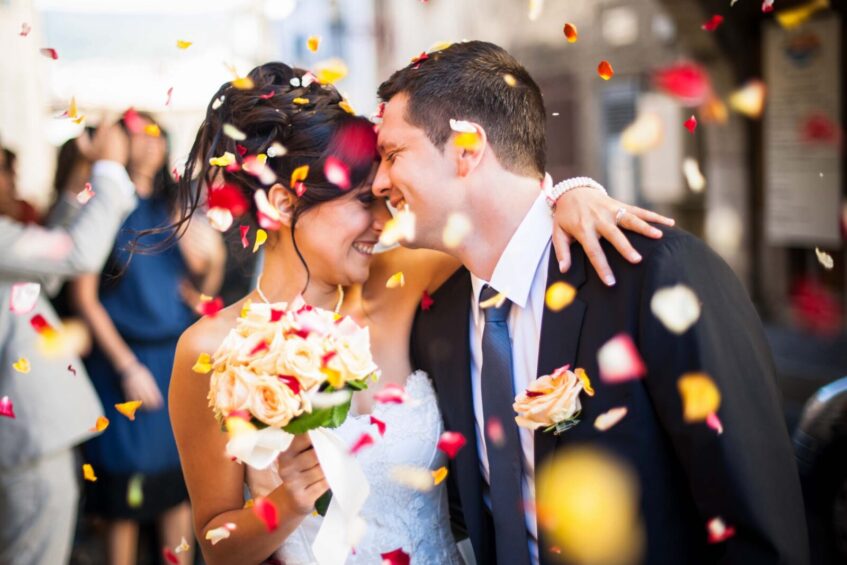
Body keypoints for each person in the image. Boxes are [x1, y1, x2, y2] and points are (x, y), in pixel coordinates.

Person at [167, 61, 671, 564]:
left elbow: (503, 221)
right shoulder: (210, 349)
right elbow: (216, 543)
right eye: (363, 201)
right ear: (281, 203)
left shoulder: (401, 280)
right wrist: (286, 503)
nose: (384, 220)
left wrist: (568, 193)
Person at [373, 40, 810, 564]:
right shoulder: (437, 321)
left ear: (468, 148)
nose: (379, 183)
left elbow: (758, 524)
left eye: (393, 154)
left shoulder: (657, 276)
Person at [71, 114, 223, 565]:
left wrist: (212, 263)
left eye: (157, 134)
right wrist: (126, 366)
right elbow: (84, 298)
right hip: (125, 363)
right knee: (126, 498)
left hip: (174, 358)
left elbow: (204, 300)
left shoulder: (173, 206)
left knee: (178, 489)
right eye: (139, 132)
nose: (150, 143)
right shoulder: (101, 208)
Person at [0, 124, 138, 565]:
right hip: (26, 439)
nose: (14, 180)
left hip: (29, 435)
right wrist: (110, 167)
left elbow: (46, 258)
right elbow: (75, 255)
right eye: (5, 169)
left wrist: (82, 168)